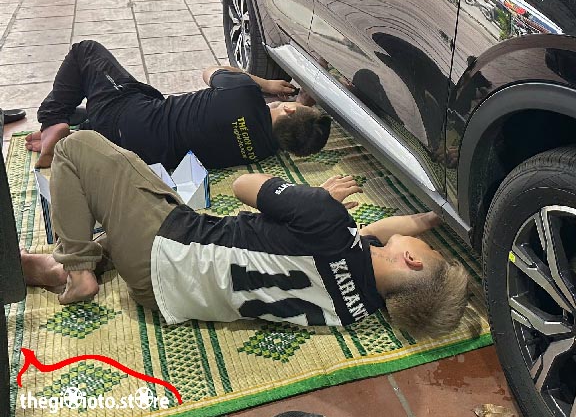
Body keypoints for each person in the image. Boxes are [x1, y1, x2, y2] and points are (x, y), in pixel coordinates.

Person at [20, 132, 469, 338]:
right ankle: (60, 266)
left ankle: (76, 272)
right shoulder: (359, 307)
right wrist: (425, 220)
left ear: (413, 260)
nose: (425, 243)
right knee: (136, 204)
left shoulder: (325, 220)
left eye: (429, 250)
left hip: (168, 248)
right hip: (171, 295)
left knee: (80, 149)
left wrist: (317, 197)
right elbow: (369, 235)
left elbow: (242, 186)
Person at [25, 40, 331, 170]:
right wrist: (308, 97)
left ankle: (52, 122)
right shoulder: (268, 149)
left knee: (85, 52)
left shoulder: (245, 94)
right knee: (89, 109)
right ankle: (72, 135)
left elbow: (210, 71)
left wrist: (264, 84)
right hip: (134, 152)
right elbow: (300, 125)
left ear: (288, 108)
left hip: (131, 117)